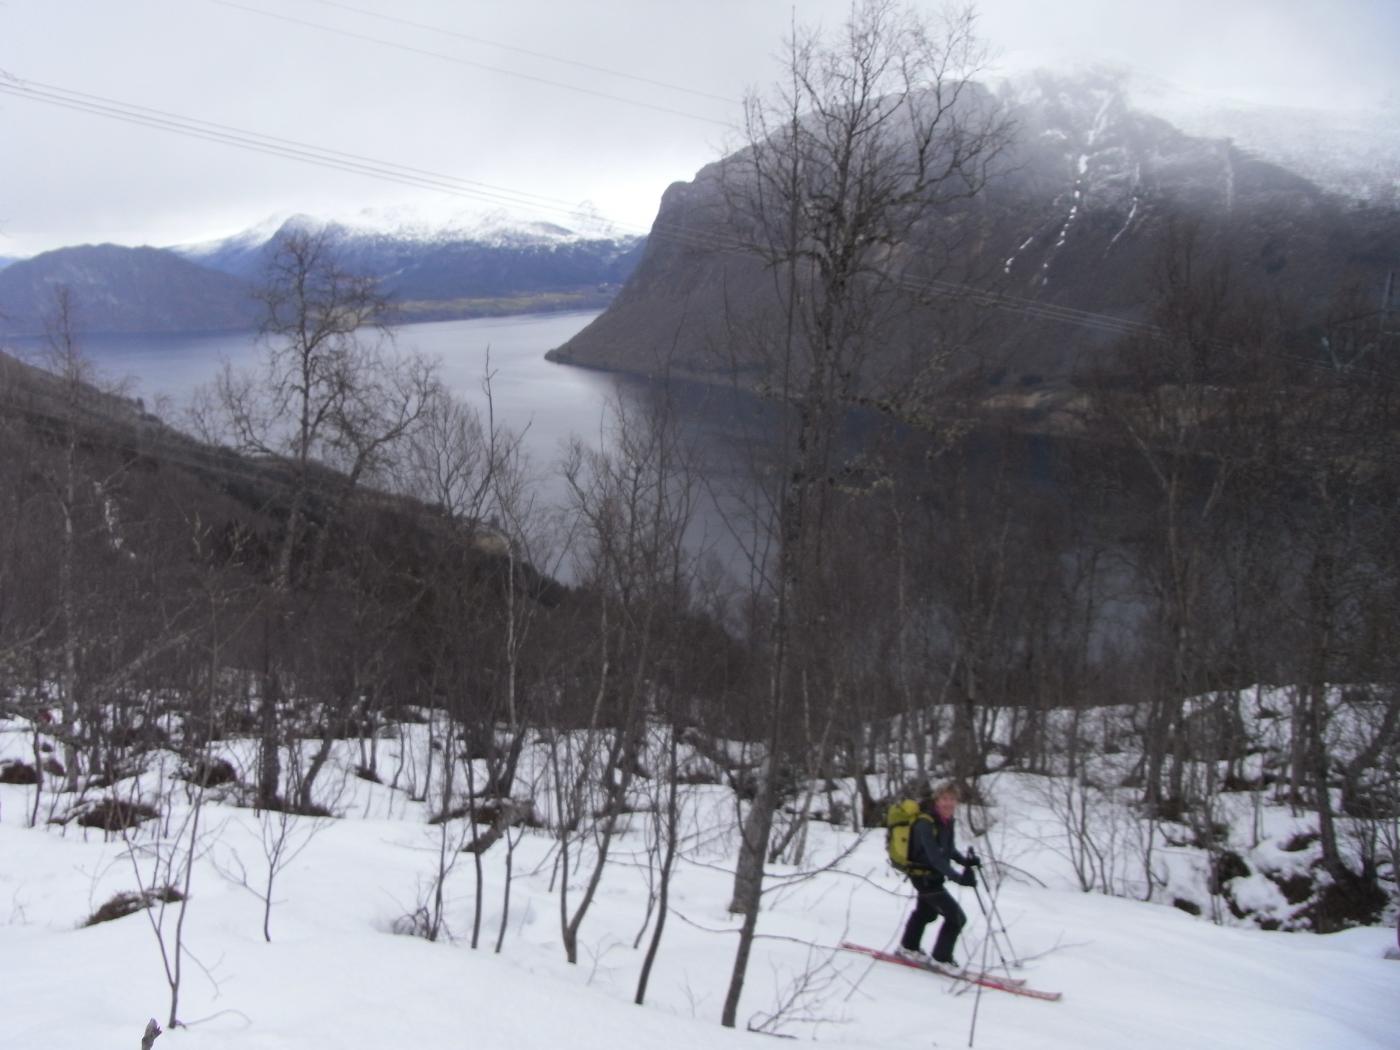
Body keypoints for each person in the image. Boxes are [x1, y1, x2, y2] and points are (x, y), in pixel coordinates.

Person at [897, 783, 980, 967]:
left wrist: (965, 862)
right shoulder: (925, 823)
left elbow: (948, 849)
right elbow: (934, 857)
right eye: (944, 799)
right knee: (957, 917)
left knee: (926, 913)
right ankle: (941, 959)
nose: (948, 803)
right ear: (937, 800)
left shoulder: (947, 820)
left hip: (932, 876)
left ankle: (908, 948)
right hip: (923, 876)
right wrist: (958, 877)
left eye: (952, 799)